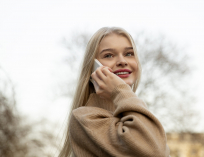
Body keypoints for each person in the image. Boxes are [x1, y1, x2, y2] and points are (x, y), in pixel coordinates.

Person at [58, 27, 170, 157]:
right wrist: (119, 90)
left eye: (129, 54)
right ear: (93, 67)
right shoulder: (84, 118)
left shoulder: (135, 115)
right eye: (109, 55)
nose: (122, 61)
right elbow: (154, 151)